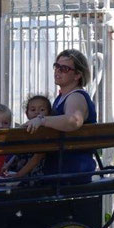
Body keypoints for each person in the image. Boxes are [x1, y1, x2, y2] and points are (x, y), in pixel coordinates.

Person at [25, 49, 98, 183]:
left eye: (64, 68)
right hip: (58, 169)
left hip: (68, 171)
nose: (57, 71)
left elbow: (73, 121)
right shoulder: (62, 97)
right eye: (57, 66)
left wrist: (41, 120)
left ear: (77, 75)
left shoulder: (76, 97)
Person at [0, 95, 51, 183]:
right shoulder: (25, 128)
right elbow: (17, 152)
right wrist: (7, 165)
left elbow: (37, 158)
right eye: (33, 110)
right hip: (17, 169)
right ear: (27, 113)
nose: (37, 112)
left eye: (42, 110)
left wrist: (19, 175)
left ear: (49, 113)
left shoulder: (45, 133)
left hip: (33, 174)